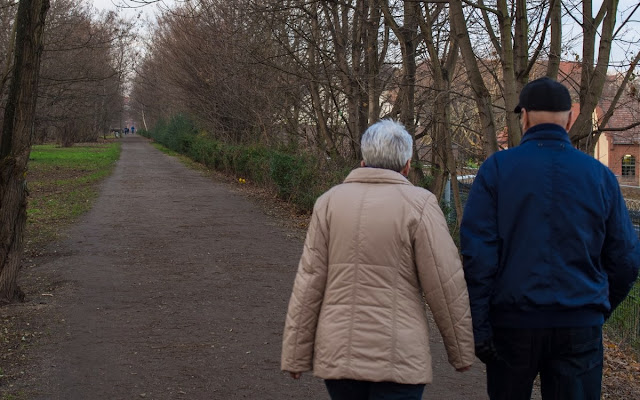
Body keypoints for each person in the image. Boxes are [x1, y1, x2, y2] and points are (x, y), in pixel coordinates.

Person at [460, 77, 640, 400]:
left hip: (512, 325)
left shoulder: (496, 170)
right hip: (579, 324)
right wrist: (596, 307)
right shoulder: (600, 177)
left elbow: (477, 255)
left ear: (524, 117)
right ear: (570, 118)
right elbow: (626, 258)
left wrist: (481, 324)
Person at [281, 120, 475, 400]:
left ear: (363, 160)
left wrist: (296, 352)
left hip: (339, 354)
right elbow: (445, 284)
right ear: (407, 164)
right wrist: (460, 351)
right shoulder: (420, 204)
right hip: (399, 355)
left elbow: (309, 280)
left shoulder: (328, 202)